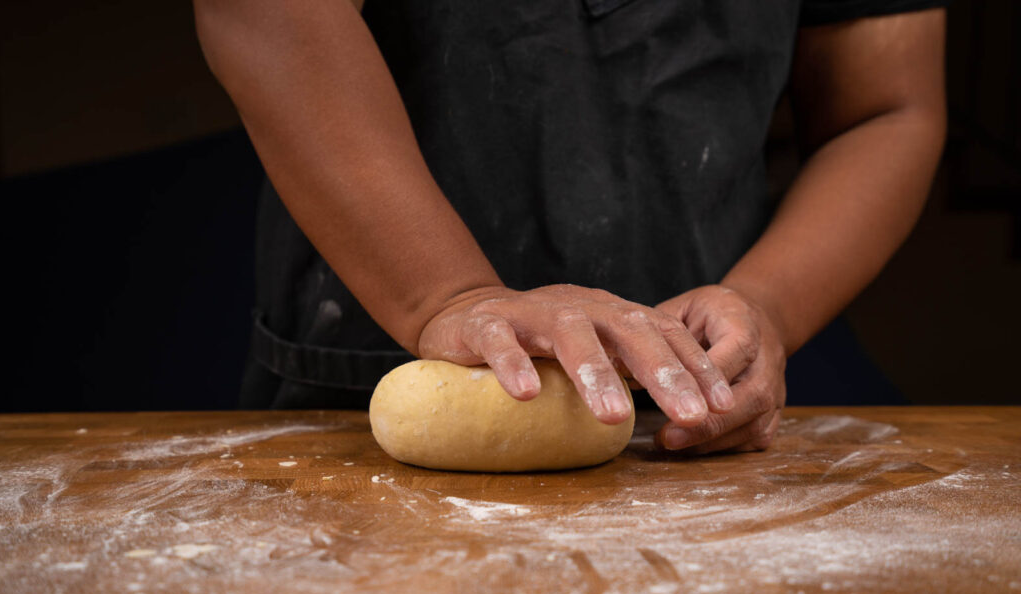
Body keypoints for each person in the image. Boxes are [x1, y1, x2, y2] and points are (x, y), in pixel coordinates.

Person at [194, 0, 947, 454]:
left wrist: (768, 308)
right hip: (357, 399)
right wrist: (447, 296)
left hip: (699, 420)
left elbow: (883, 109)